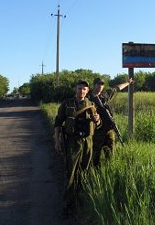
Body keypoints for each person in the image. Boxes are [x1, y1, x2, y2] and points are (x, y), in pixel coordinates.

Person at [54, 80, 101, 217]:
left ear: (87, 91)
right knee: (70, 173)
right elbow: (58, 122)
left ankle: (80, 200)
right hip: (73, 142)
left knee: (84, 171)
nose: (81, 91)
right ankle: (68, 204)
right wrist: (57, 140)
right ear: (75, 89)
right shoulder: (67, 103)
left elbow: (98, 125)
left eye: (84, 89)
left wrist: (97, 120)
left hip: (88, 142)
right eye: (79, 88)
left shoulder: (91, 105)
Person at [88, 77, 134, 167]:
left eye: (102, 84)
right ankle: (94, 173)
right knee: (95, 154)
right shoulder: (88, 98)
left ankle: (108, 170)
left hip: (109, 129)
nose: (100, 86)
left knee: (110, 153)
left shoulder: (105, 95)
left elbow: (117, 88)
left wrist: (128, 83)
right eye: (98, 84)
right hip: (97, 130)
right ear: (94, 85)